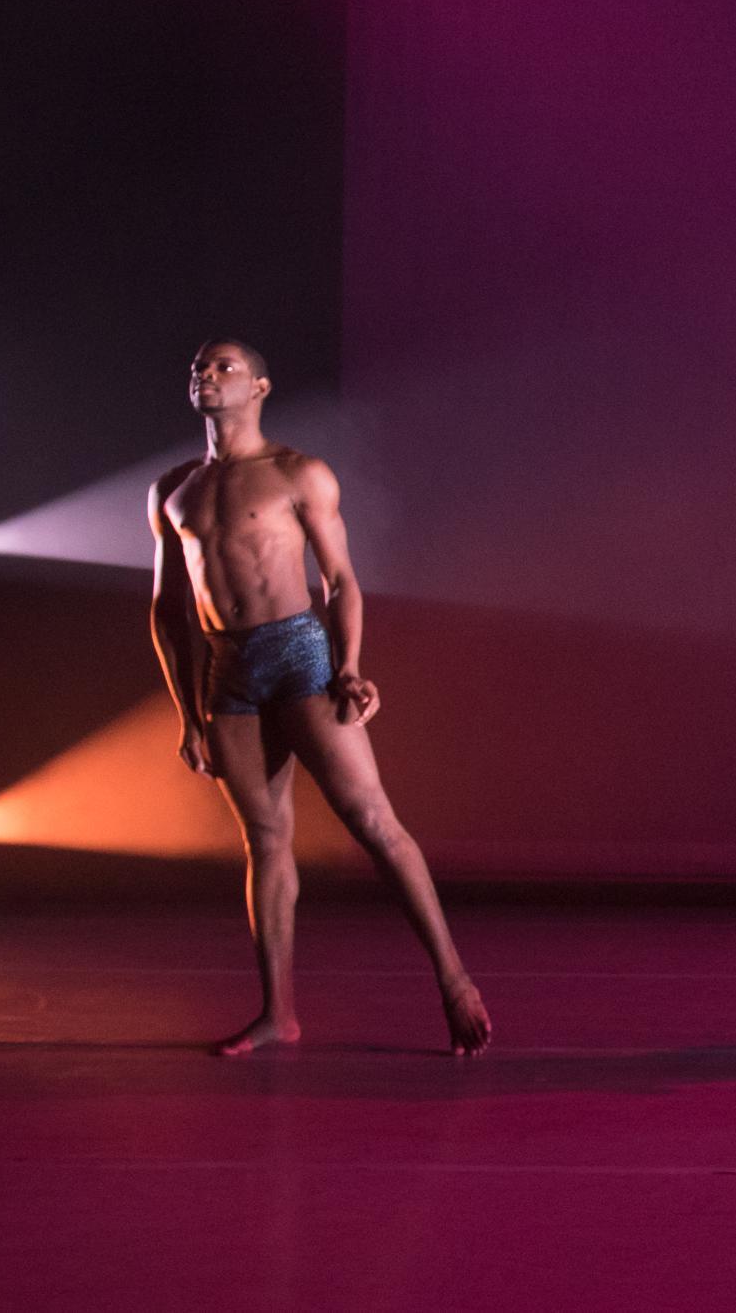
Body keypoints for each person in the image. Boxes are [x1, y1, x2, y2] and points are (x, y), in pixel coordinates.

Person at [150, 341, 492, 1056]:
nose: (205, 376)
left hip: (298, 655)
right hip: (227, 671)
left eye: (223, 368)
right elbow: (168, 610)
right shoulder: (173, 489)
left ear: (260, 387)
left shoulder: (297, 473)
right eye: (198, 368)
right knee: (265, 841)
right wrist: (187, 714)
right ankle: (279, 1013)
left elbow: (340, 580)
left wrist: (350, 667)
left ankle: (455, 982)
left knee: (373, 820)